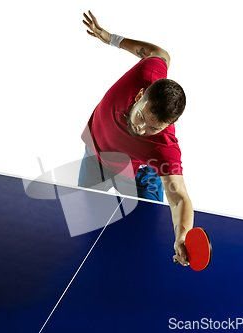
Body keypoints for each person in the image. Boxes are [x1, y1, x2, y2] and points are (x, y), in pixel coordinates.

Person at [79, 10, 193, 267]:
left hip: (138, 173)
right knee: (84, 221)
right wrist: (110, 38)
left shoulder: (164, 148)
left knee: (143, 240)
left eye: (153, 128)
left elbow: (179, 197)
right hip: (95, 154)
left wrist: (183, 233)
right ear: (142, 93)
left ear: (168, 125)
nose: (142, 129)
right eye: (142, 116)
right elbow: (159, 52)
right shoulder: (150, 70)